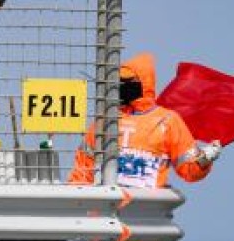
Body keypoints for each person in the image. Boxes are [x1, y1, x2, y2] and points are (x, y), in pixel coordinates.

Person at [68, 52, 221, 188]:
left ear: (143, 83)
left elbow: (189, 171)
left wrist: (204, 159)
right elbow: (82, 169)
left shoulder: (167, 121)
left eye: (127, 81)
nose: (121, 86)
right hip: (104, 213)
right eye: (119, 81)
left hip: (145, 212)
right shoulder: (106, 121)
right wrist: (76, 205)